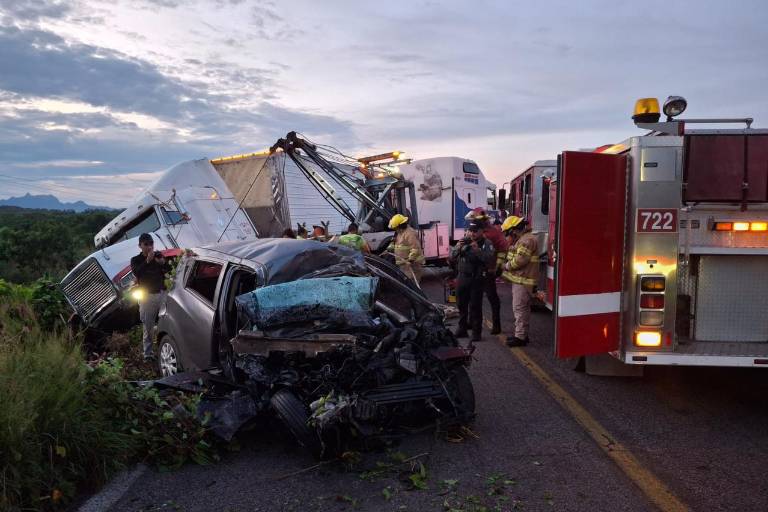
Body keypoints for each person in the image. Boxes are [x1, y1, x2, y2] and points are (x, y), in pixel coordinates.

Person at [465, 207, 507, 334]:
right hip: (474, 270)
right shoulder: (473, 231)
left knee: (492, 298)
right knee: (473, 298)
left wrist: (498, 266)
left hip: (488, 270)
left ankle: (497, 325)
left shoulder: (493, 233)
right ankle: (471, 322)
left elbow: (503, 248)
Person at [450, 222, 495, 341]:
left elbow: (489, 260)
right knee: (461, 304)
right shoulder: (463, 241)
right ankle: (462, 329)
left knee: (475, 306)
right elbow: (452, 256)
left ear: (481, 231)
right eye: (471, 231)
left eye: (475, 231)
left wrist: (477, 250)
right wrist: (458, 248)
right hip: (462, 276)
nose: (472, 233)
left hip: (476, 278)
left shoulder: (486, 243)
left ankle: (476, 332)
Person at [130, 233, 172, 361]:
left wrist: (162, 263)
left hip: (162, 294)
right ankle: (148, 354)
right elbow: (137, 272)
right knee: (148, 326)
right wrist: (147, 261)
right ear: (140, 246)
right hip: (147, 297)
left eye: (151, 243)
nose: (149, 246)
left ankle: (167, 347)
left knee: (168, 322)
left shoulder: (158, 255)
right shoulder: (136, 260)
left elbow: (169, 269)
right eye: (146, 244)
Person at [500, 216, 540, 347]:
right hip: (522, 280)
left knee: (520, 309)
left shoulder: (526, 240)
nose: (507, 236)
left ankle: (520, 338)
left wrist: (506, 266)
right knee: (522, 309)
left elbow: (520, 260)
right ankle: (522, 334)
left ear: (514, 230)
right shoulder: (524, 239)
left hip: (523, 281)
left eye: (507, 233)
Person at [387, 214, 425, 283]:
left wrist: (410, 260)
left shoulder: (410, 233)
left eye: (395, 227)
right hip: (404, 265)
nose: (395, 229)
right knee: (407, 284)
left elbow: (415, 248)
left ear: (400, 226)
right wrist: (390, 247)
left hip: (413, 265)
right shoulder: (400, 233)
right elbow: (398, 244)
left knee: (413, 284)